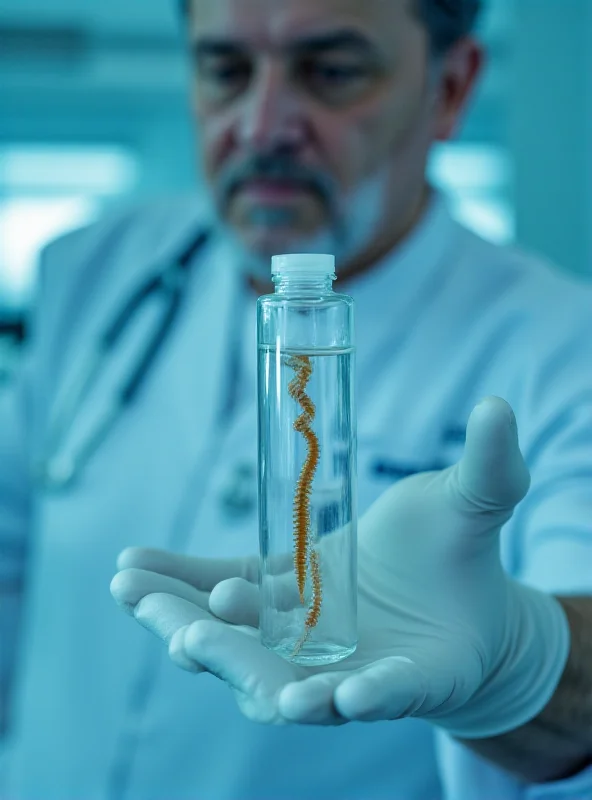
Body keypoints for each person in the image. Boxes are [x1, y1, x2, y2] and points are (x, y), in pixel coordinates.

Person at [0, 0, 591, 798]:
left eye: (332, 70)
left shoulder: (563, 346)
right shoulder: (94, 270)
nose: (263, 125)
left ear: (450, 89)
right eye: (226, 70)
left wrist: (522, 663)